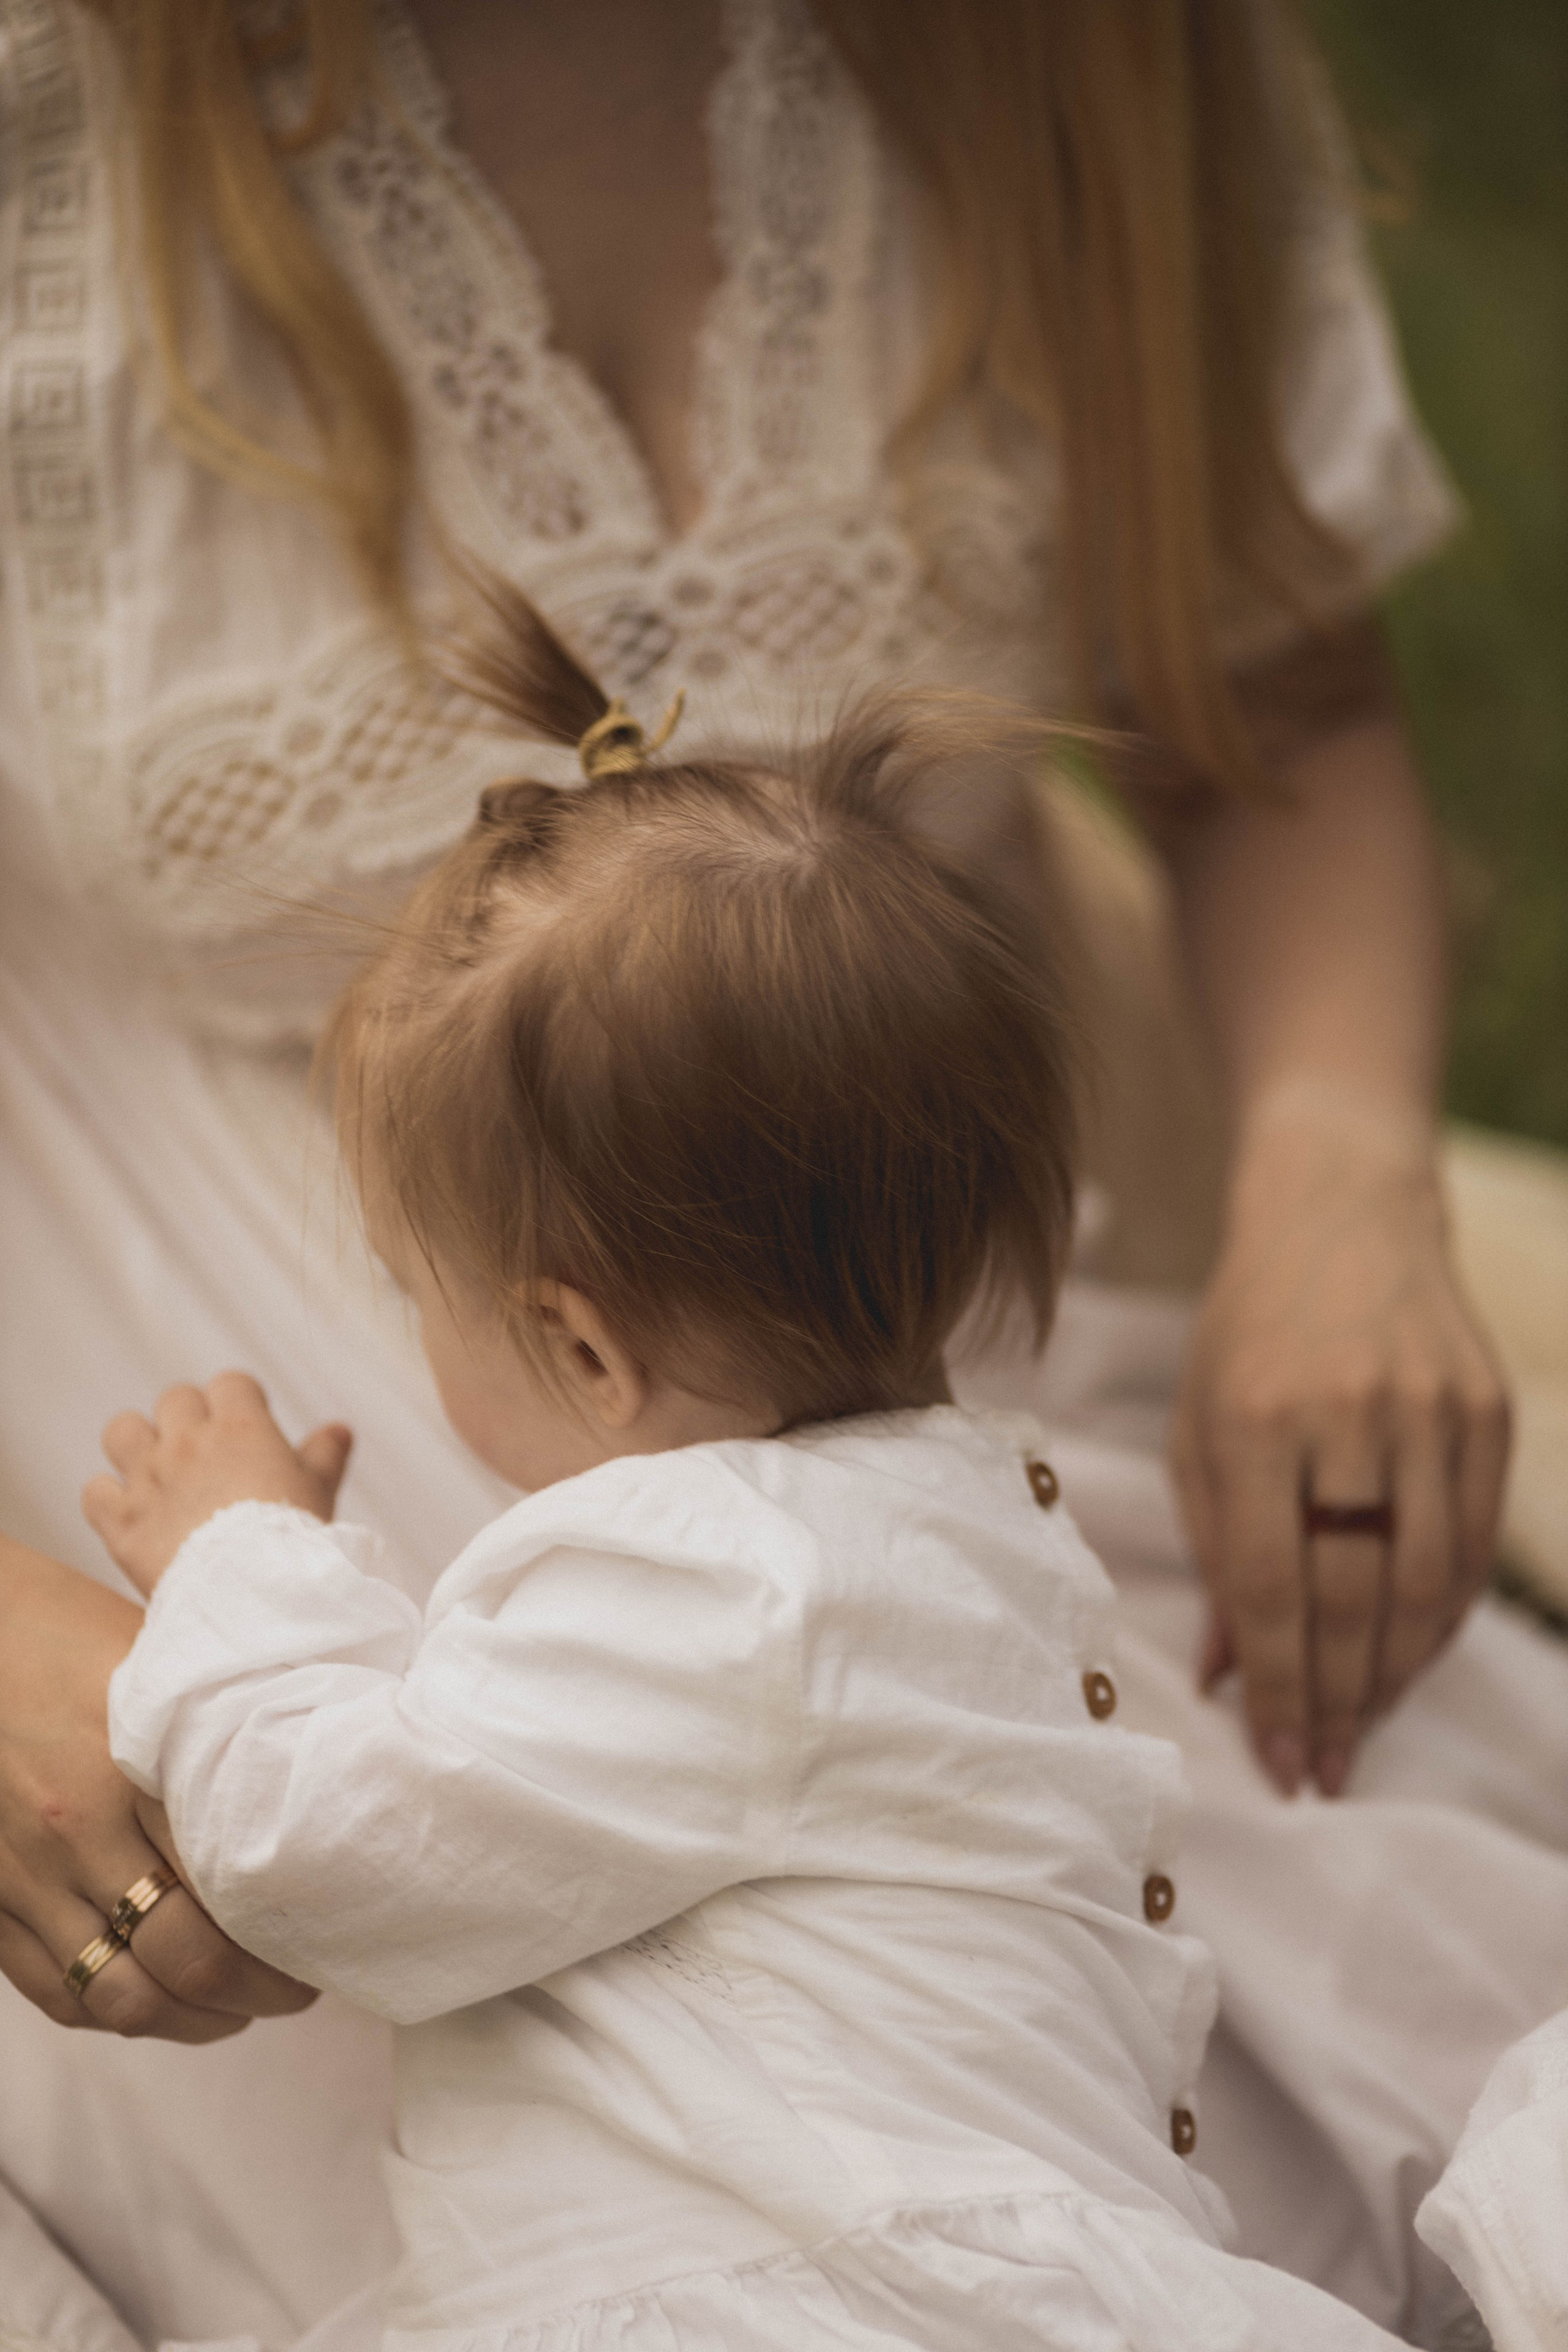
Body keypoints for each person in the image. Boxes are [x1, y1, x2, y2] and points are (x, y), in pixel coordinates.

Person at [0, 1, 1564, 2344]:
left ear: (561, 1338)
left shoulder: (1096, 60)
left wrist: (1340, 1186)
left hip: (836, 1347)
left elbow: (346, 1833)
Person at [77, 630, 1398, 2352]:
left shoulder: (725, 1579)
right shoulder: (960, 1533)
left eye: (420, 1287)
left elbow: (323, 1843)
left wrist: (237, 1551)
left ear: (586, 1350)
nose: (414, 1326)